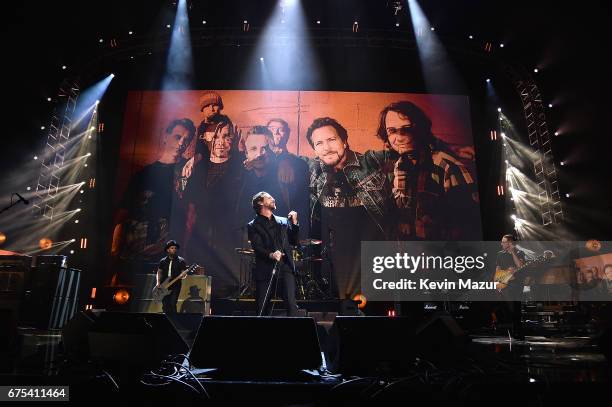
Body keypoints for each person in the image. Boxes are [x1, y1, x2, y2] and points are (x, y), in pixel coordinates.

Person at [305, 117, 393, 298]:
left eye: (332, 140)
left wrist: (445, 147)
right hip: (333, 266)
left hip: (374, 262)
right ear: (314, 149)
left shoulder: (370, 161)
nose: (327, 147)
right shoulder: (313, 169)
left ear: (344, 141)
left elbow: (407, 149)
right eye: (319, 143)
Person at [373, 101, 481, 240]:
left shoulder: (447, 167)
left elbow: (469, 228)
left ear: (420, 129)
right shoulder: (399, 165)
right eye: (392, 131)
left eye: (407, 128)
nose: (399, 137)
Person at [110, 118, 196, 280]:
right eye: (178, 137)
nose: (181, 143)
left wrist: (184, 251)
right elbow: (122, 215)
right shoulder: (143, 175)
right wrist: (114, 251)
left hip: (167, 254)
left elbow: (191, 215)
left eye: (186, 140)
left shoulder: (188, 174)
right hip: (134, 254)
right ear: (166, 136)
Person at [183, 115, 243, 297]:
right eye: (216, 136)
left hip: (229, 252)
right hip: (199, 245)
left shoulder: (241, 167)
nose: (220, 142)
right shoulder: (199, 168)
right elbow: (190, 210)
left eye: (226, 136)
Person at [247, 192, 300, 316]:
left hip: (285, 267)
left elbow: (294, 241)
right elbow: (257, 247)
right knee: (262, 306)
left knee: (291, 304)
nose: (273, 199)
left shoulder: (283, 221)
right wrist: (271, 254)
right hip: (265, 269)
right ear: (260, 202)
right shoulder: (253, 225)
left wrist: (294, 223)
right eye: (269, 198)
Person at [495, 234, 527, 339]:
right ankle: (512, 330)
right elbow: (498, 269)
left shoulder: (519, 253)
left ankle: (518, 330)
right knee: (509, 308)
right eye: (502, 242)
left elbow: (520, 266)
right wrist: (497, 284)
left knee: (516, 307)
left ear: (510, 243)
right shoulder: (500, 254)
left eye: (504, 242)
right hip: (505, 284)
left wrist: (513, 252)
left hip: (516, 284)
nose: (502, 244)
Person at [155, 240, 188, 314]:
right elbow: (159, 272)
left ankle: (174, 321)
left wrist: (183, 275)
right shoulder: (162, 261)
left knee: (172, 304)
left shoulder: (181, 261)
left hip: (176, 285)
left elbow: (184, 273)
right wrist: (158, 283)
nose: (174, 250)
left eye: (175, 248)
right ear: (168, 250)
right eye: (172, 248)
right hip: (164, 285)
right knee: (165, 305)